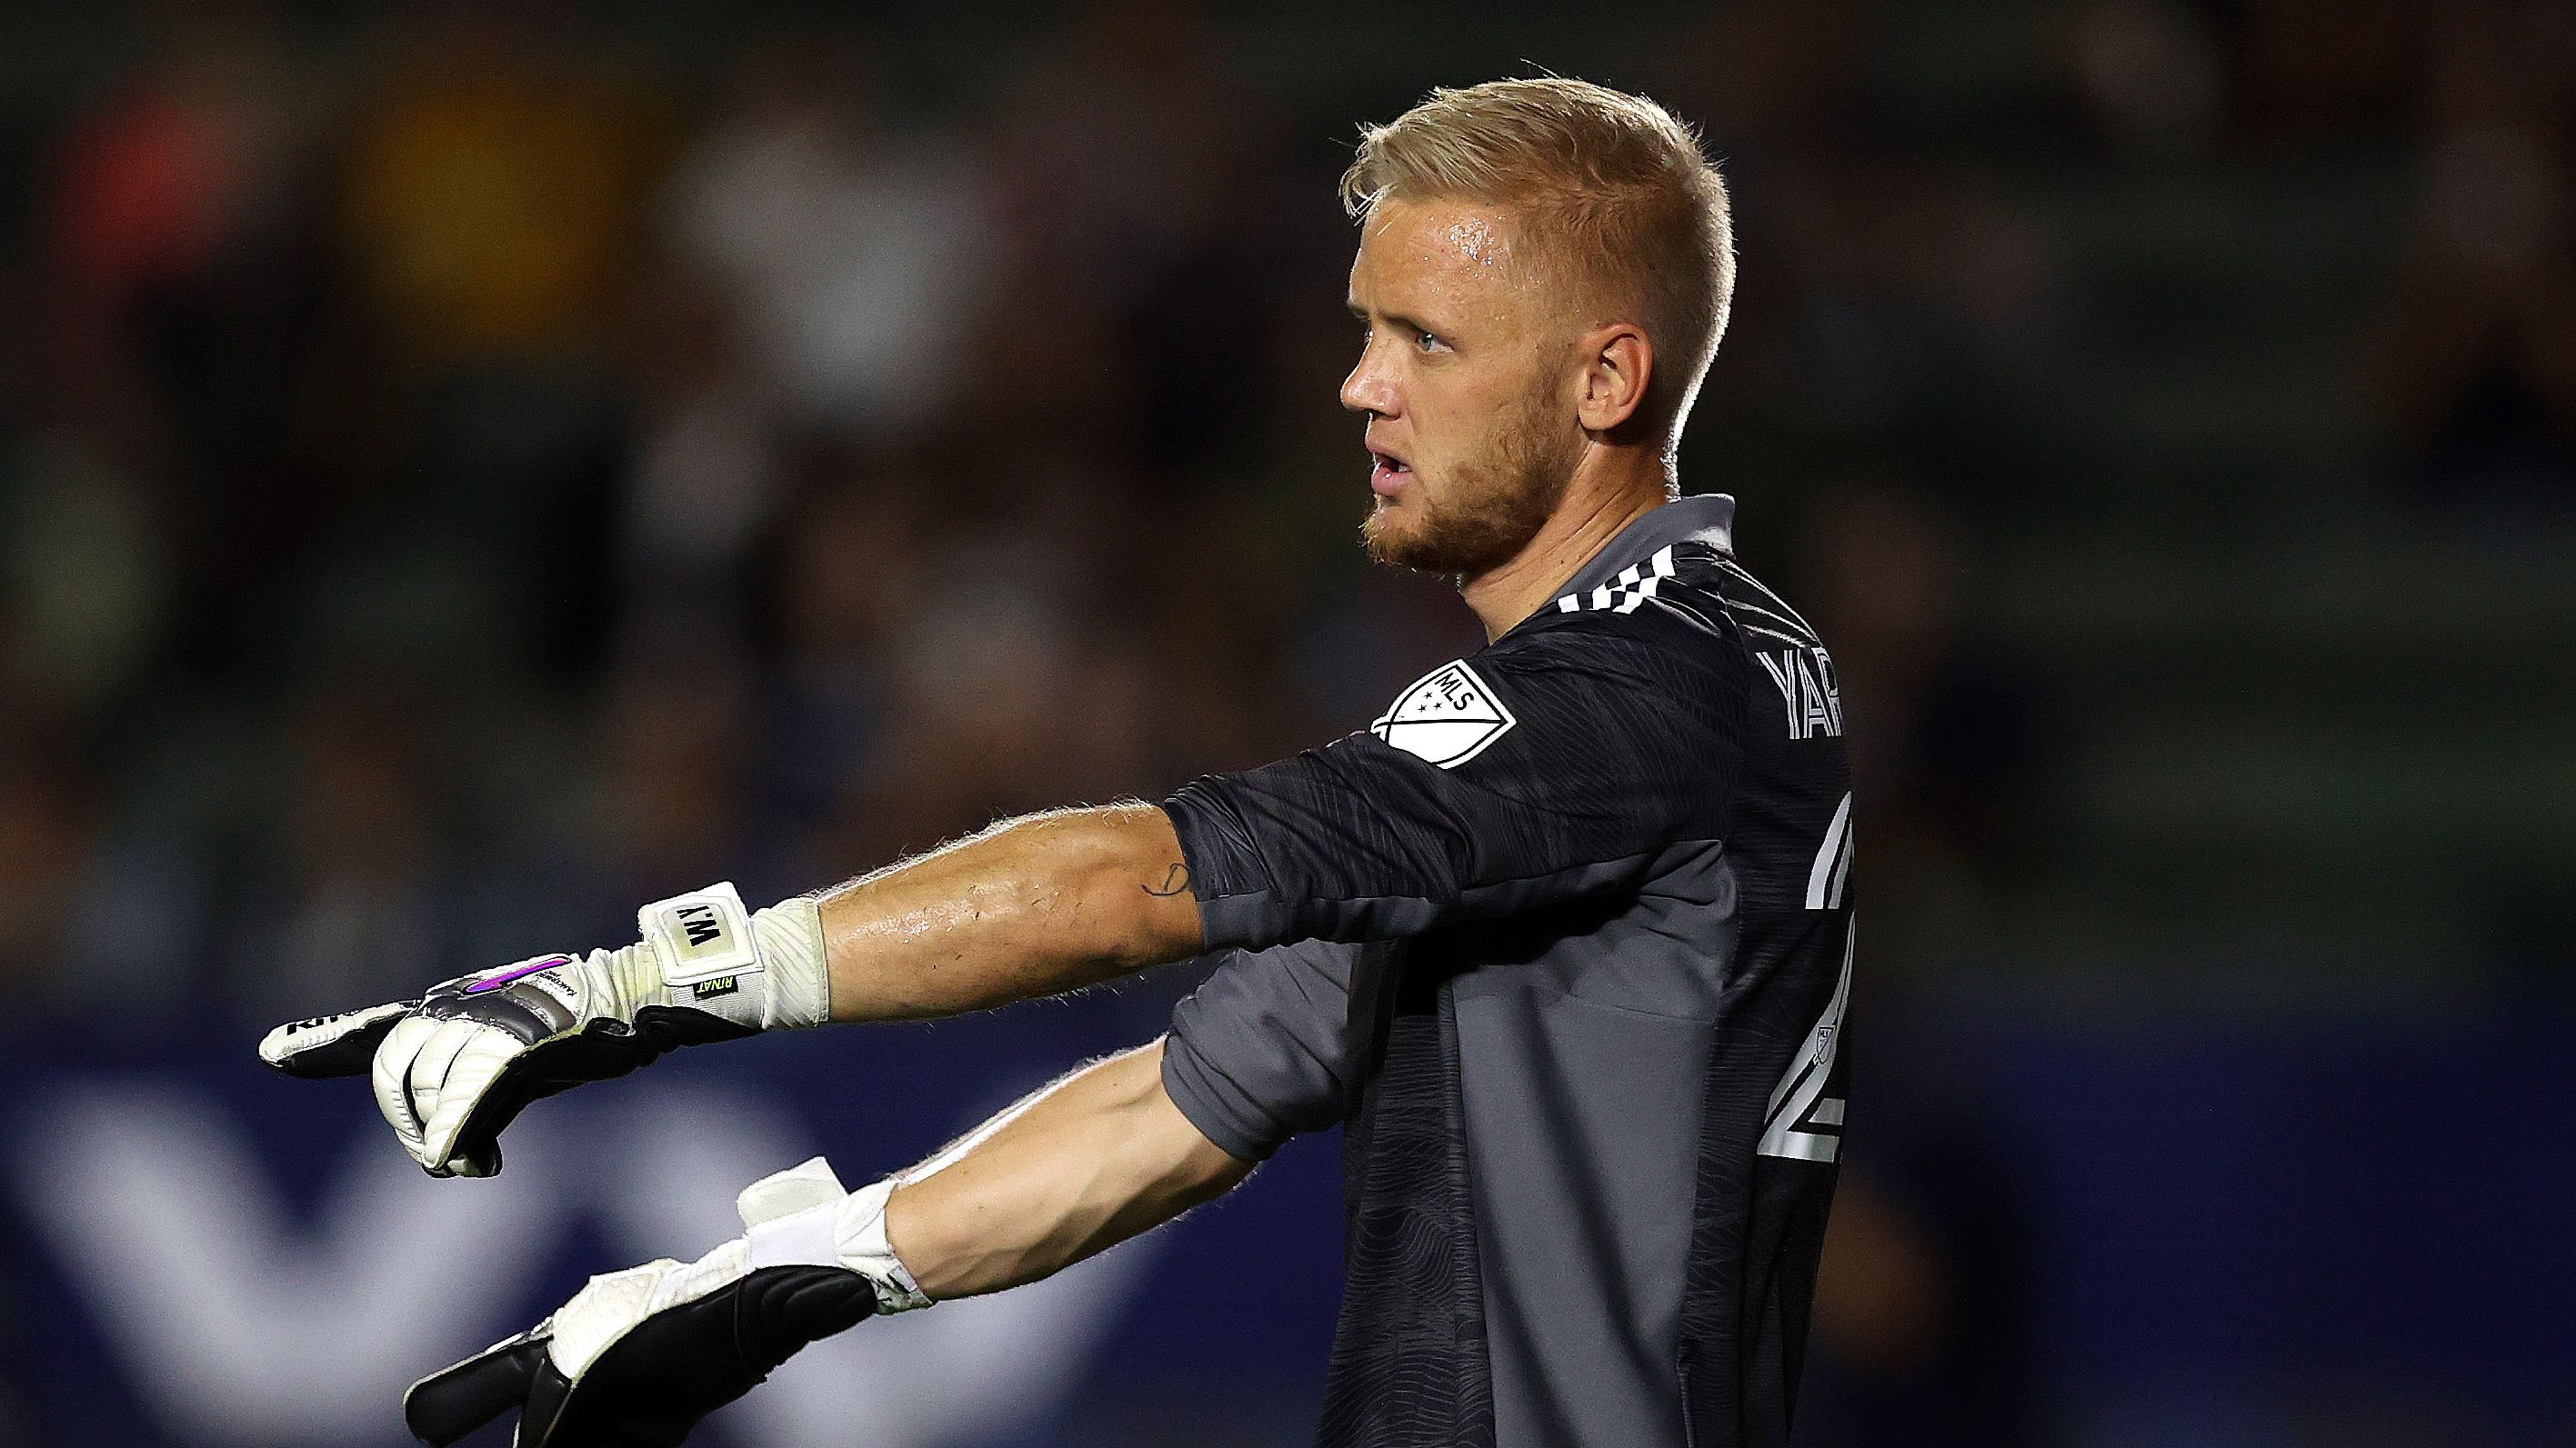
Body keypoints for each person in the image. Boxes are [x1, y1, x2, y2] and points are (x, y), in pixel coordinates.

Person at [264, 77, 1857, 1448]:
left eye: (1428, 340)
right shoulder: (1659, 693)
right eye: (1366, 329)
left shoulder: (1641, 682)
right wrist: (765, 1281)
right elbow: (1179, 1103)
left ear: (1605, 379)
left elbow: (1133, 885)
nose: (1362, 385)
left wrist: (633, 989)